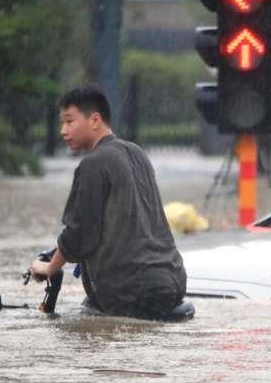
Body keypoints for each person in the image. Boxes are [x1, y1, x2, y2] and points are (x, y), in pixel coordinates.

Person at [29, 86, 188, 320]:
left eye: (69, 121)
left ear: (95, 120)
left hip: (130, 293)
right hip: (173, 283)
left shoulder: (93, 164)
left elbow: (79, 235)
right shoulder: (137, 153)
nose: (63, 131)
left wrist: (49, 267)